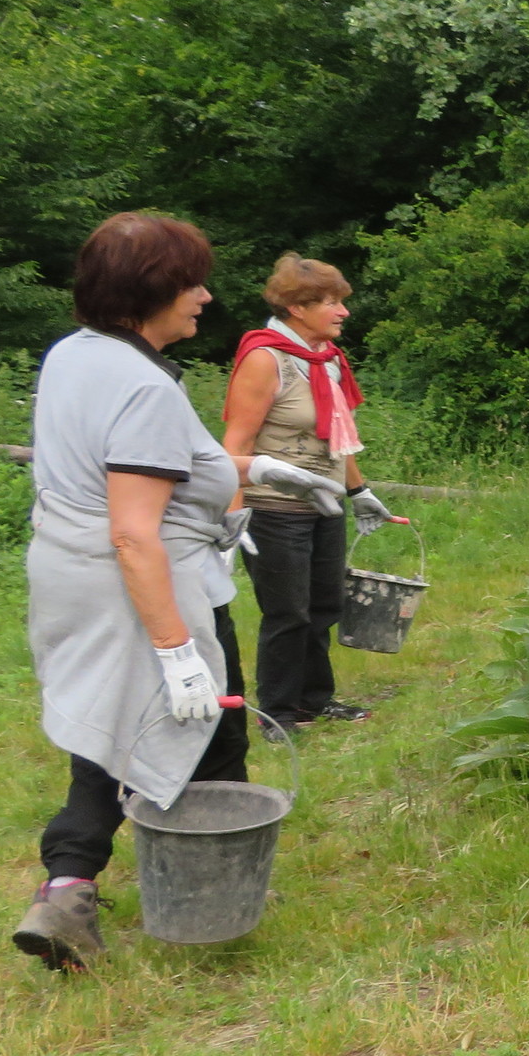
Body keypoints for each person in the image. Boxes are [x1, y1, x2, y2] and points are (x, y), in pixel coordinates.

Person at [12, 213, 335, 970]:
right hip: (141, 585)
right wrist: (176, 651)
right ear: (148, 291)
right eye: (191, 283)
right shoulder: (142, 385)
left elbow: (136, 466)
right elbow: (134, 529)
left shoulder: (76, 354)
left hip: (70, 572)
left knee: (115, 726)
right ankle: (208, 893)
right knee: (204, 731)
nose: (205, 297)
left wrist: (258, 470)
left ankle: (68, 887)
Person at [221, 254, 391, 731]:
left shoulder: (326, 359)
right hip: (274, 508)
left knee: (324, 606)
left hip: (325, 502)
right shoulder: (265, 358)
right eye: (331, 302)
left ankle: (314, 700)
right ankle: (277, 712)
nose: (343, 312)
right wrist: (232, 514)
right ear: (297, 308)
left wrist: (359, 490)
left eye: (341, 301)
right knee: (288, 612)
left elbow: (339, 434)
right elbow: (235, 444)